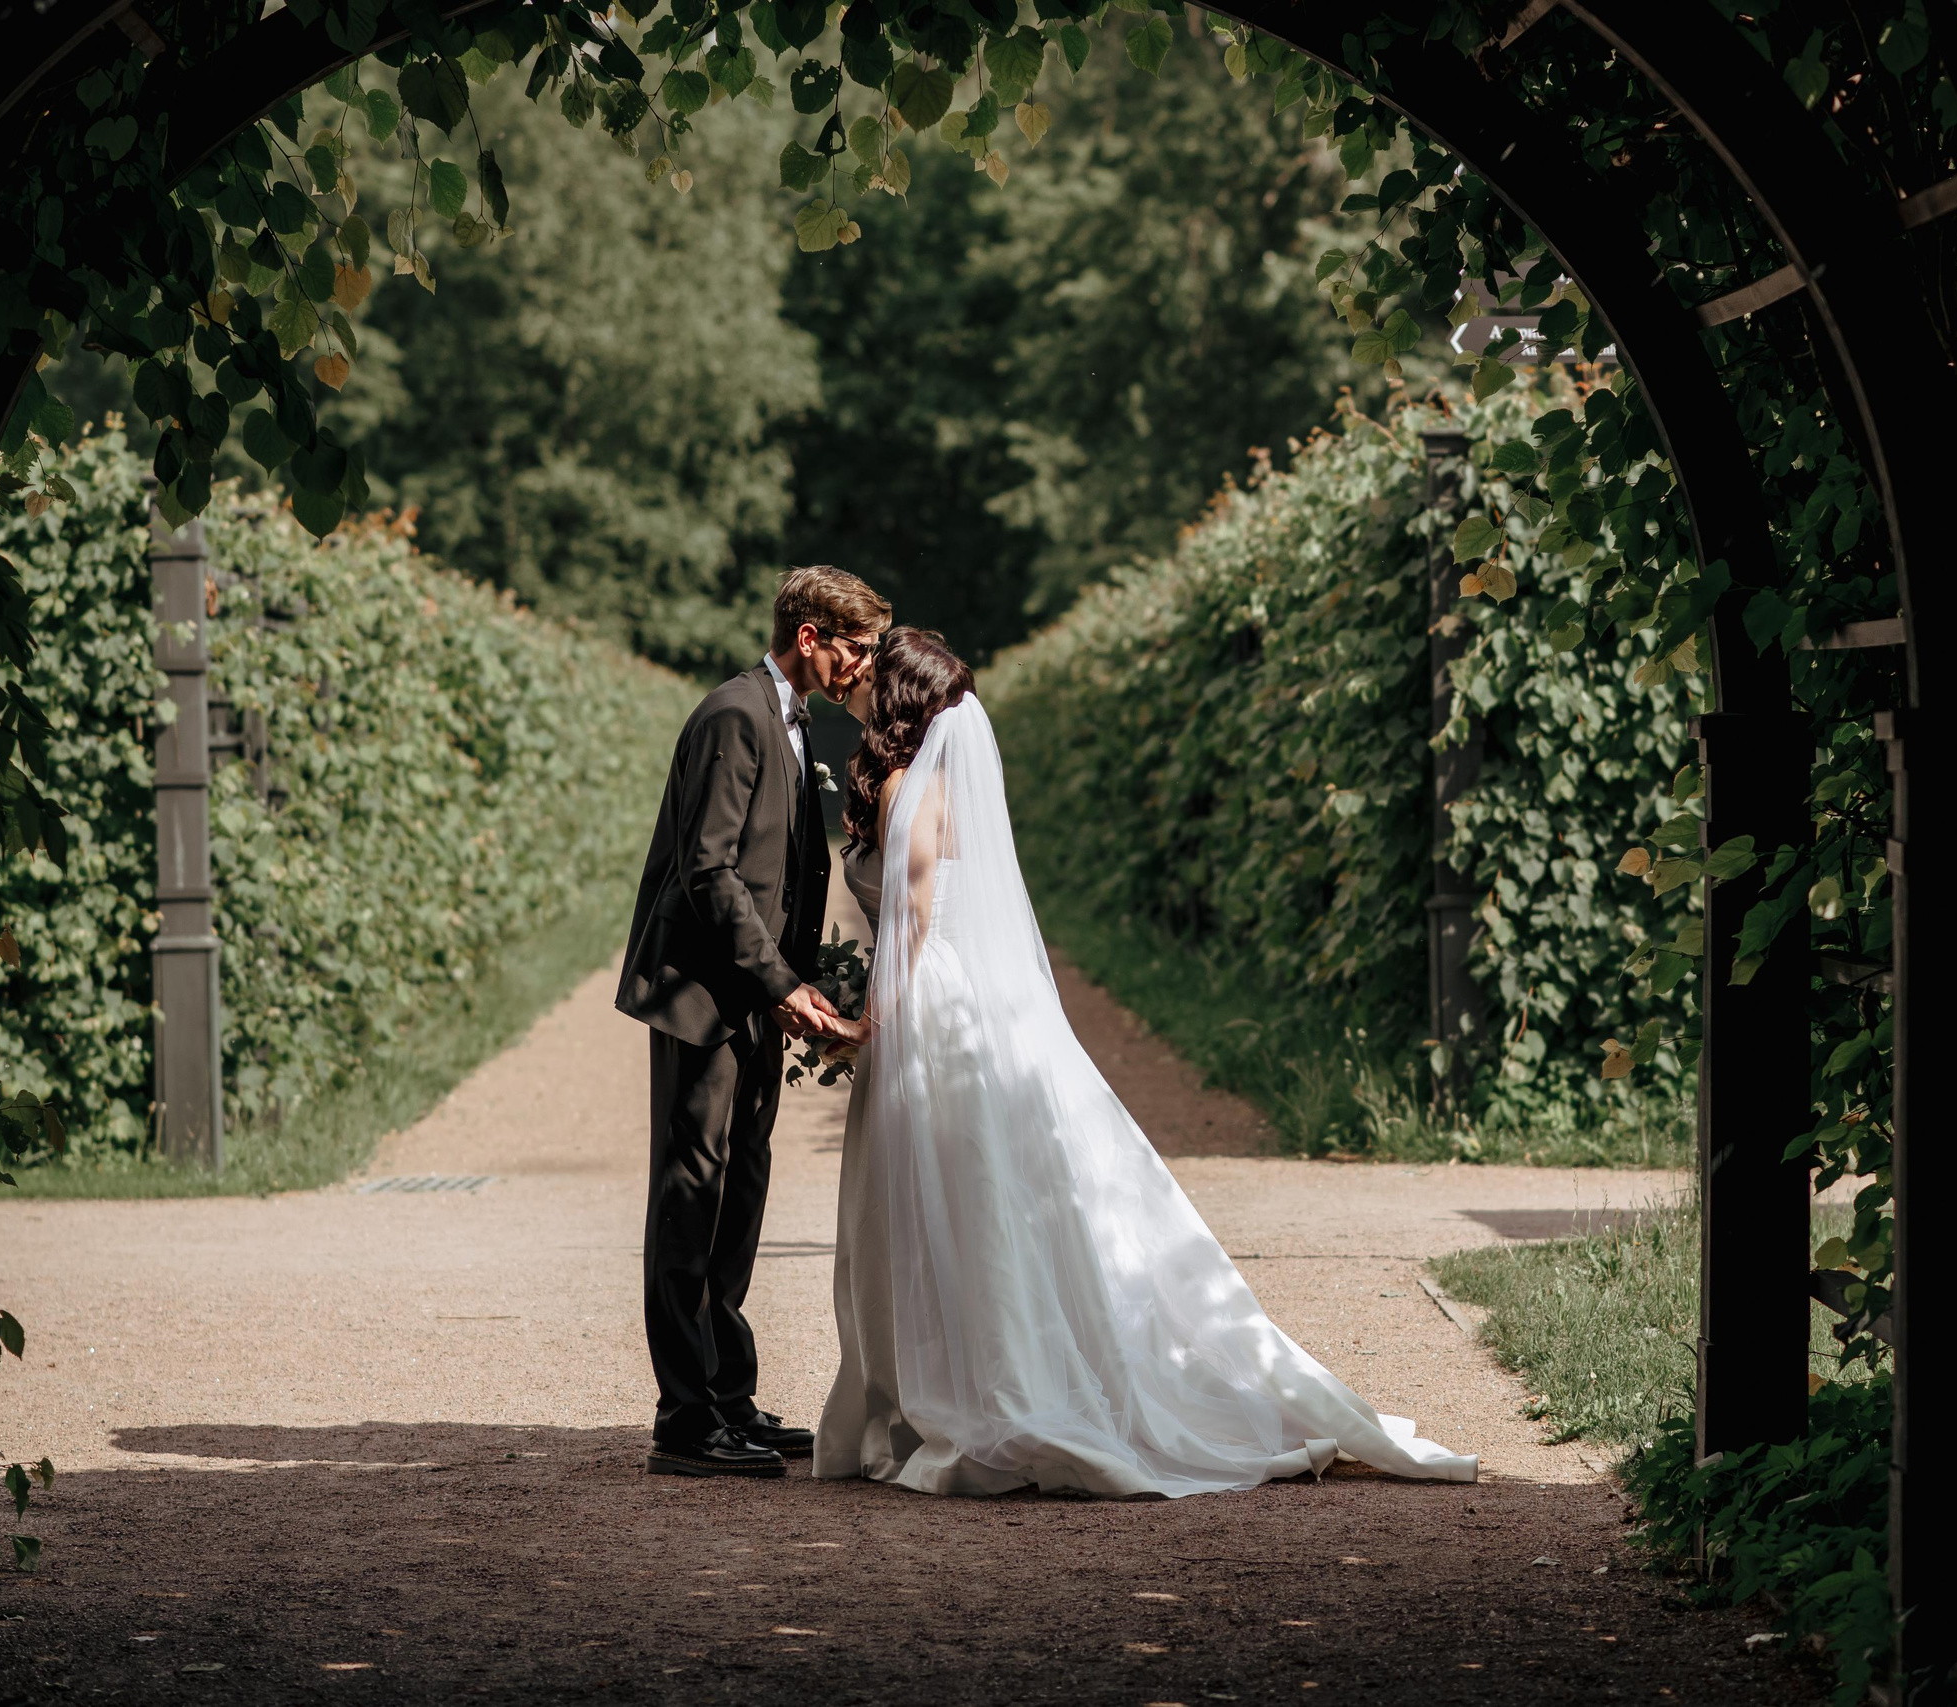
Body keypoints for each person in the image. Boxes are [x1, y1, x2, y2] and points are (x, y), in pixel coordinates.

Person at [813, 628, 1476, 1497]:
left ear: (895, 702)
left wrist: (866, 1022)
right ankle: (996, 1369)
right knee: (988, 1191)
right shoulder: (951, 785)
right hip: (980, 1005)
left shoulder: (905, 784)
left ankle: (960, 1391)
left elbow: (915, 919)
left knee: (939, 1198)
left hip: (930, 1007)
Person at [615, 567, 890, 1478]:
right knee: (691, 1194)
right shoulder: (736, 713)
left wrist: (802, 982)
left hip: (754, 998)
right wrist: (778, 981)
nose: (860, 668)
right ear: (808, 636)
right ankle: (684, 1420)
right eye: (852, 647)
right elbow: (709, 872)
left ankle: (728, 1396)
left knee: (740, 1194)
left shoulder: (789, 718)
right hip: (705, 995)